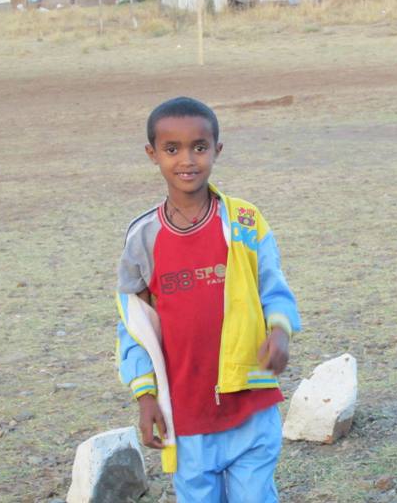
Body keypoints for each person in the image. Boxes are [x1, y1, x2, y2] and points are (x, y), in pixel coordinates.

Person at [116, 97, 300, 502]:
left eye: (199, 147)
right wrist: (145, 396)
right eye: (172, 149)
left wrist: (281, 332)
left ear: (217, 149)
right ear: (153, 154)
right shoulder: (143, 237)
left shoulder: (244, 222)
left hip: (249, 406)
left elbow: (274, 288)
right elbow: (134, 323)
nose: (187, 159)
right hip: (186, 414)